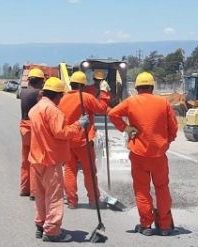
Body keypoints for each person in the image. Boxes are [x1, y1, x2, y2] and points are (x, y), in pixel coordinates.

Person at [108, 72, 178, 236]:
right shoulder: (163, 102)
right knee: (162, 188)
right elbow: (173, 127)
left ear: (137, 87)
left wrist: (125, 128)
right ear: (152, 87)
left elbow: (112, 114)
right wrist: (168, 140)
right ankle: (165, 226)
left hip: (139, 154)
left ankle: (146, 225)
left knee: (142, 190)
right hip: (159, 155)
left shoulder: (132, 101)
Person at [28, 76, 89, 242]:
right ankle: (53, 231)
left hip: (36, 159)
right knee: (54, 197)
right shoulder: (53, 110)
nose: (61, 99)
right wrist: (79, 125)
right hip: (50, 160)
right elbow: (61, 133)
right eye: (60, 96)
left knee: (41, 196)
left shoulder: (36, 108)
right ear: (57, 95)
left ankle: (41, 225)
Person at [58, 70, 108, 209]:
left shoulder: (62, 98)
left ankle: (72, 201)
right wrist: (104, 92)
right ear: (83, 85)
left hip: (68, 140)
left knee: (69, 170)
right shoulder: (86, 97)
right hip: (83, 140)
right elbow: (102, 108)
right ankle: (93, 200)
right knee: (89, 171)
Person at [19, 68, 46, 199]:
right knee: (35, 161)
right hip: (34, 128)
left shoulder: (23, 92)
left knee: (25, 160)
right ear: (41, 81)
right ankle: (35, 192)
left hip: (24, 127)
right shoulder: (39, 94)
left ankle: (25, 188)